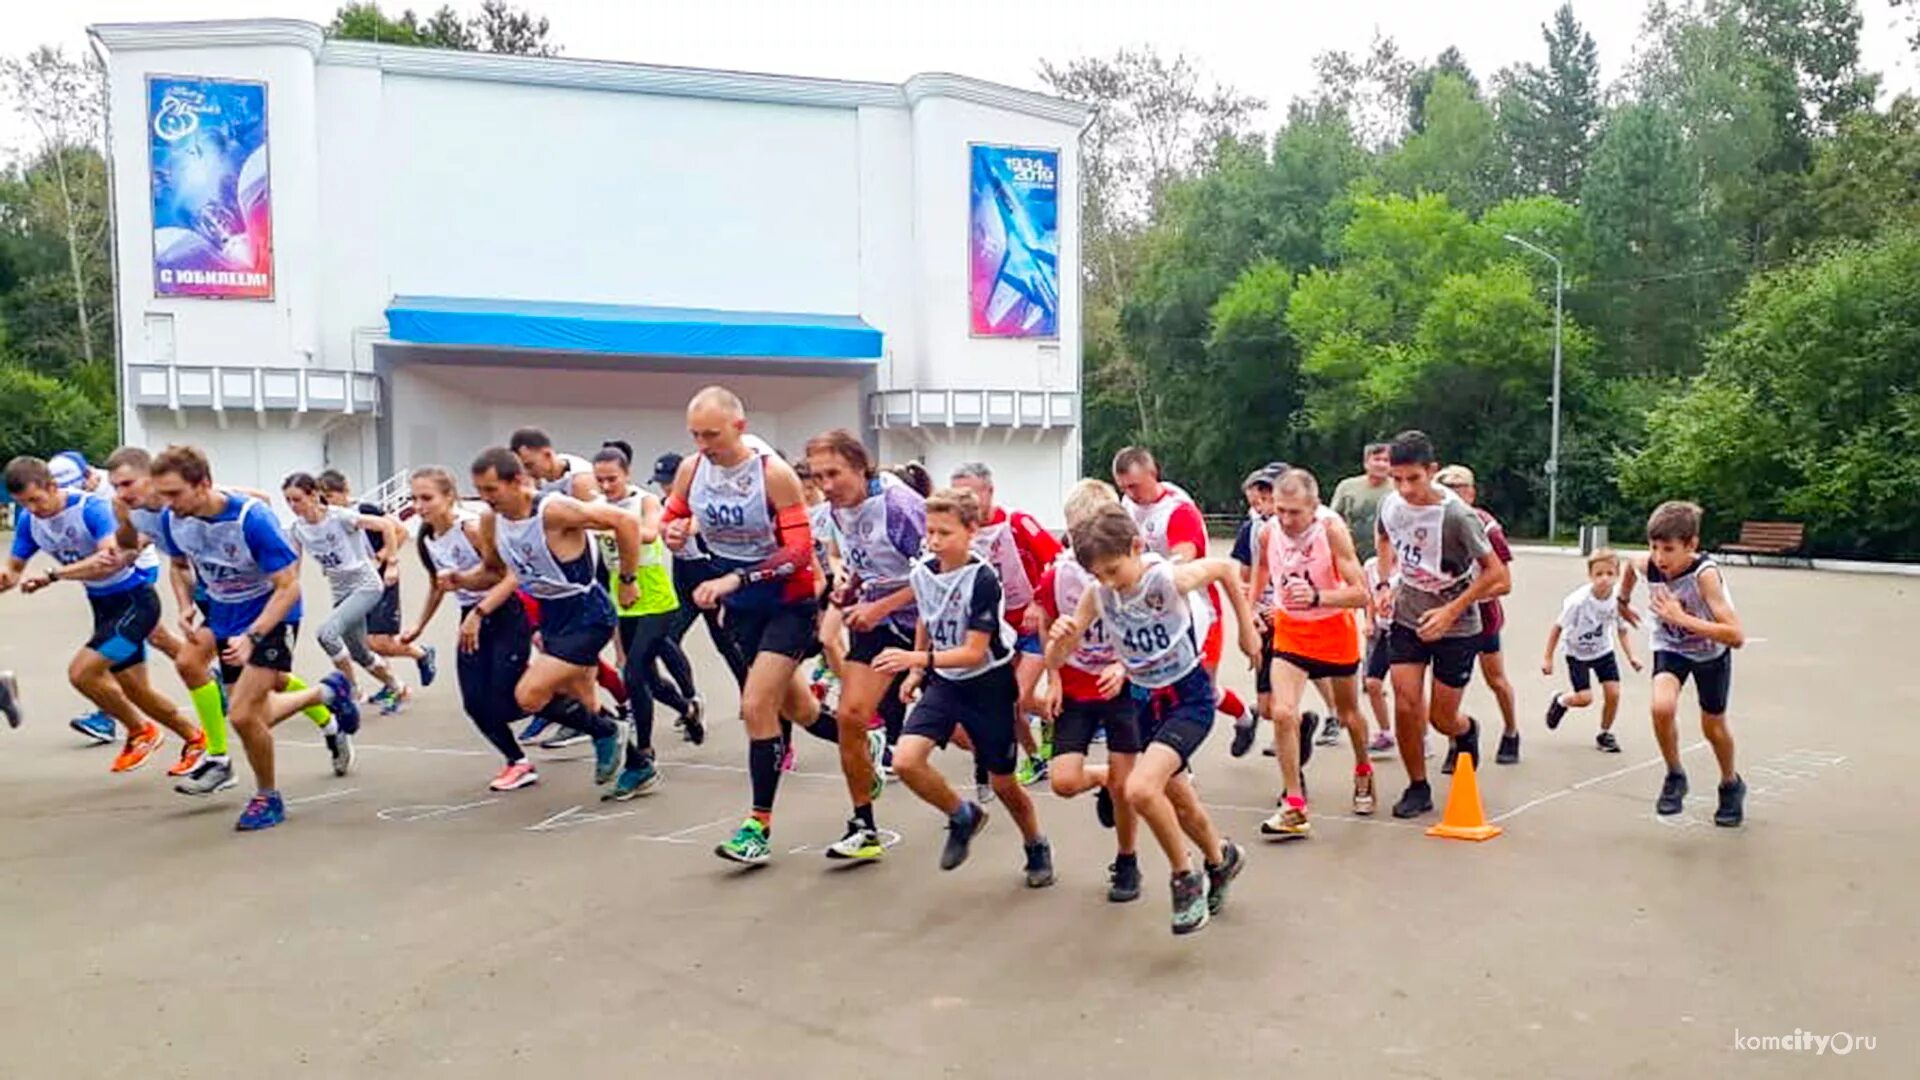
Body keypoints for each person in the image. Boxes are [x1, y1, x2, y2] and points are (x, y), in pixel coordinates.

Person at [660, 387, 863, 866]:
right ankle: (861, 740)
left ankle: (758, 827)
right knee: (800, 709)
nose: (703, 444)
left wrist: (735, 578)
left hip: (787, 603)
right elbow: (671, 518)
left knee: (755, 705)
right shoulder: (693, 470)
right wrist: (671, 531)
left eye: (712, 433)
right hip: (743, 607)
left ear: (739, 427)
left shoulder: (773, 476)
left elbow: (796, 555)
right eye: (695, 434)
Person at [1046, 503, 1256, 934]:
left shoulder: (1167, 578)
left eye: (1113, 569)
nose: (1108, 582)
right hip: (1143, 700)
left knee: (1140, 789)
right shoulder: (1098, 594)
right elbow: (1063, 655)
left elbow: (1225, 568)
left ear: (1137, 547)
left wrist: (1247, 628)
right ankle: (1222, 858)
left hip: (1187, 696)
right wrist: (1058, 644)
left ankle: (1185, 878)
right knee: (1180, 804)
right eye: (1097, 575)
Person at [149, 445, 361, 831]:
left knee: (244, 714)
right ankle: (325, 693)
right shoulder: (172, 518)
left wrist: (253, 636)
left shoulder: (251, 519)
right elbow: (180, 566)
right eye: (162, 494)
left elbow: (288, 587)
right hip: (223, 612)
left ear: (204, 484)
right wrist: (184, 605)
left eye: (175, 493)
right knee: (253, 714)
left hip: (272, 613)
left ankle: (268, 796)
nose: (167, 502)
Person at [874, 487, 1053, 887]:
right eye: (930, 532)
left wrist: (915, 661)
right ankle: (962, 815)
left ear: (972, 531)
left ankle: (1035, 844)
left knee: (1005, 784)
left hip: (988, 685)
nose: (935, 541)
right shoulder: (923, 569)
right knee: (905, 760)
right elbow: (926, 615)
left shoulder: (983, 579)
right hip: (945, 682)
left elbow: (974, 652)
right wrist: (918, 672)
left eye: (945, 533)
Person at [2, 456, 206, 775]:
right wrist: (6, 578)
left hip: (134, 602)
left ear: (53, 487)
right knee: (137, 690)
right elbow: (13, 570)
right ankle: (195, 740)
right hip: (104, 607)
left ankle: (141, 731)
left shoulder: (90, 509)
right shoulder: (30, 523)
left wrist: (54, 575)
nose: (32, 508)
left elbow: (108, 559)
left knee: (82, 672)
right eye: (22, 503)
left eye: (36, 499)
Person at [470, 447, 636, 790]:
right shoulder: (491, 520)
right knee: (584, 701)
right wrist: (460, 581)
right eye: (480, 490)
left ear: (517, 481)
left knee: (529, 695)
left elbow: (624, 522)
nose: (485, 499)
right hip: (551, 614)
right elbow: (493, 573)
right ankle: (639, 766)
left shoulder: (553, 510)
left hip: (587, 611)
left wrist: (627, 580)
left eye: (491, 490)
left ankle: (608, 730)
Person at [1372, 431, 1510, 819]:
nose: (1404, 488)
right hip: (1407, 613)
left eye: (1413, 478)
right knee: (1405, 702)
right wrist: (1385, 582)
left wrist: (1451, 611)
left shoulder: (1457, 515)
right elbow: (1382, 538)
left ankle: (1465, 731)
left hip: (1456, 620)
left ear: (1431, 471)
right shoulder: (1392, 505)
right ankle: (1417, 786)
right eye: (1396, 479)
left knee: (1440, 716)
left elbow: (1495, 574)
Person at [807, 430, 918, 860]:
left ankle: (991, 776)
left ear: (859, 466)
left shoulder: (899, 507)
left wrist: (880, 605)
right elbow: (860, 561)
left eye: (833, 473)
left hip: (929, 623)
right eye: (818, 477)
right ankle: (864, 827)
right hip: (878, 622)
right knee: (851, 716)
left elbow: (940, 575)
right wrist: (851, 589)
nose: (826, 485)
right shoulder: (834, 510)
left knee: (965, 735)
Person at [104, 446, 241, 794]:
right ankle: (215, 756)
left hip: (239, 595)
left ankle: (327, 700)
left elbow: (254, 502)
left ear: (150, 477)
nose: (122, 493)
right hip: (204, 595)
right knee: (185, 662)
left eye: (127, 484)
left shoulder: (187, 501)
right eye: (115, 487)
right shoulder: (140, 512)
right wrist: (184, 605)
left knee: (261, 695)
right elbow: (152, 555)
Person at [1034, 479, 1144, 903]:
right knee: (1062, 782)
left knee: (1126, 785)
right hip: (1078, 683)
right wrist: (1054, 675)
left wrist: (1123, 664)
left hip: (1120, 685)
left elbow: (1145, 628)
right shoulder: (1060, 573)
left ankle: (1127, 859)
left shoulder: (1133, 571)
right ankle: (1102, 779)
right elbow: (1048, 618)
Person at [1248, 468, 1374, 837]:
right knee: (1284, 712)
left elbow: (1361, 593)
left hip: (1334, 628)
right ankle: (1294, 805)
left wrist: (1319, 596)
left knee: (1349, 714)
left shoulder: (1330, 531)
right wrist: (1253, 612)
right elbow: (1260, 576)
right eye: (1280, 510)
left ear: (1314, 508)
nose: (1286, 520)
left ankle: (1363, 769)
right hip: (1291, 630)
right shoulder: (1268, 530)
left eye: (1295, 513)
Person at [403, 467, 540, 791]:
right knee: (475, 702)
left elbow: (511, 575)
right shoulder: (426, 537)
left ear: (449, 496)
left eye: (427, 498)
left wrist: (480, 611)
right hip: (471, 616)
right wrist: (419, 626)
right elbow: (438, 585)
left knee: (507, 697)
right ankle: (518, 762)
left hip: (503, 611)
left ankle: (581, 715)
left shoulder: (472, 529)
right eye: (415, 498)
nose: (420, 505)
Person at [1110, 446, 1255, 745]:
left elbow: (1184, 557)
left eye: (1134, 486)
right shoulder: (1126, 504)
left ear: (1153, 474)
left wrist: (1149, 573)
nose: (1130, 493)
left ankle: (1244, 718)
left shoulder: (1178, 511)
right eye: (1123, 487)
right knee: (1165, 690)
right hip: (1155, 610)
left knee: (1201, 688)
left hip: (1199, 609)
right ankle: (1174, 764)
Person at [1616, 501, 1746, 825]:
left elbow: (1736, 635)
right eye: (1654, 547)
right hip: (1671, 647)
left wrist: (1682, 618)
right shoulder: (1651, 564)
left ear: (1691, 545)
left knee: (1713, 727)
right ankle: (1675, 775)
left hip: (1710, 652)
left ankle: (1731, 784)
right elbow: (1631, 564)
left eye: (1669, 549)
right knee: (1661, 707)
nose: (1660, 557)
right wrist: (1622, 600)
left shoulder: (1706, 576)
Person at [589, 444, 697, 800]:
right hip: (621, 595)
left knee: (634, 674)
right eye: (600, 480)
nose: (606, 487)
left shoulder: (645, 501)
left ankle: (644, 756)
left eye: (613, 479)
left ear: (627, 474)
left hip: (653, 595)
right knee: (646, 675)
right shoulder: (596, 506)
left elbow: (651, 533)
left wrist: (615, 519)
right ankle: (687, 707)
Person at [949, 462, 1064, 788]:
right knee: (1013, 705)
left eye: (969, 493)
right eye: (957, 495)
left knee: (1013, 698)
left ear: (989, 492)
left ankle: (1038, 749)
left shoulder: (1017, 522)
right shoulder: (961, 532)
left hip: (1032, 628)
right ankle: (1046, 729)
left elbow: (1058, 559)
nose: (964, 501)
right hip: (996, 630)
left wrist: (1038, 601)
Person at [283, 473, 410, 709]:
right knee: (360, 652)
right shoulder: (297, 529)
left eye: (297, 499)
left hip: (366, 584)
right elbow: (293, 571)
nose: (293, 506)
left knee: (326, 634)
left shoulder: (339, 517)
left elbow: (386, 526)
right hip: (340, 591)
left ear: (313, 495)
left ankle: (352, 693)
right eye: (288, 501)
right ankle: (398, 686)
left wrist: (391, 562)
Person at [316, 470, 436, 706]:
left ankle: (421, 653)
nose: (326, 502)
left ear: (344, 492)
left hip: (381, 578)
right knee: (364, 641)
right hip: (353, 583)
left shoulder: (363, 511)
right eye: (322, 497)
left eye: (330, 495)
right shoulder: (329, 519)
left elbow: (399, 531)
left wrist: (383, 559)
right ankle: (390, 685)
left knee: (378, 641)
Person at [1435, 465, 1520, 765]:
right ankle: (1455, 740)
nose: (1453, 494)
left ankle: (1511, 730)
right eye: (1446, 487)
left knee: (1495, 679)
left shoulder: (1486, 527)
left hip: (1482, 617)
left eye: (1459, 487)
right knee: (1447, 687)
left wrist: (1466, 599)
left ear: (1471, 492)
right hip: (1447, 620)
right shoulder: (1435, 523)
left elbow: (1504, 583)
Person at [654, 451, 749, 700]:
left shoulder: (703, 500)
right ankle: (690, 697)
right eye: (662, 483)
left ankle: (748, 692)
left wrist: (689, 527)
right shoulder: (665, 505)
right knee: (667, 638)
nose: (666, 488)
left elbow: (698, 523)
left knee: (724, 642)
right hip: (683, 575)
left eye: (669, 482)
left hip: (709, 572)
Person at [1542, 548, 1642, 753]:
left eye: (1609, 574)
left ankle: (1605, 733)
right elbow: (1557, 627)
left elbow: (1622, 630)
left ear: (1617, 575)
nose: (1604, 579)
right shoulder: (1578, 602)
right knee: (1584, 699)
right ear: (1590, 576)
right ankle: (1561, 701)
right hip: (1577, 653)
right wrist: (1547, 658)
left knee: (1613, 693)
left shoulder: (1617, 601)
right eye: (1599, 574)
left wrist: (1631, 656)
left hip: (1603, 651)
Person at [1359, 555, 1396, 759]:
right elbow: (1369, 597)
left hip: (1405, 630)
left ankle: (1421, 736)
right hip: (1383, 629)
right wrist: (1370, 621)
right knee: (1372, 683)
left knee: (1407, 689)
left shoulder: (1409, 566)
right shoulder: (1371, 565)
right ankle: (1386, 732)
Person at [1330, 442, 1392, 564]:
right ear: (1366, 463)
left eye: (1386, 460)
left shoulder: (1397, 489)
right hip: (1351, 553)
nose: (1382, 464)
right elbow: (1333, 519)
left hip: (1386, 555)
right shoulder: (1347, 486)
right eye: (1377, 459)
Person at [509, 427, 597, 501]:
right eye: (523, 467)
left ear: (547, 455)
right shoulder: (537, 480)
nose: (527, 472)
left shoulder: (581, 480)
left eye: (529, 466)